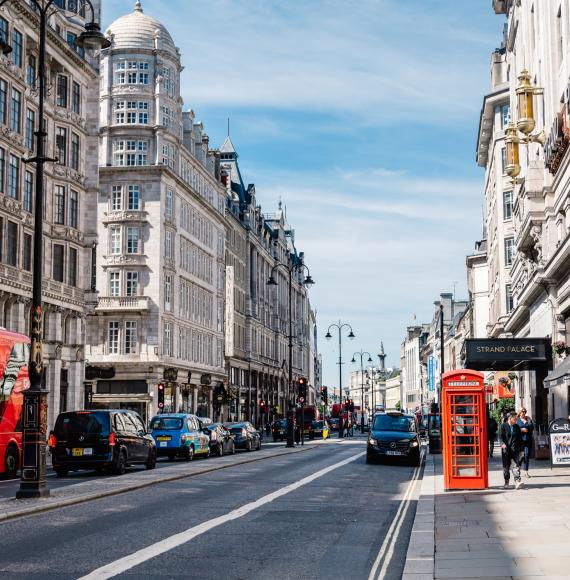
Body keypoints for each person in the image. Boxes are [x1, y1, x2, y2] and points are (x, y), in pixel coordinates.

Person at [499, 411, 524, 489]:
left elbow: (520, 438)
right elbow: (500, 437)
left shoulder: (516, 427)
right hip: (506, 450)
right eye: (515, 418)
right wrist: (502, 444)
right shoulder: (503, 426)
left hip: (515, 450)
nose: (516, 419)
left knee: (516, 466)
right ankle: (506, 482)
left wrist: (521, 450)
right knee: (506, 467)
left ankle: (517, 481)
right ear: (510, 418)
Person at [517, 408, 534, 477]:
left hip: (528, 440)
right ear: (519, 412)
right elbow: (513, 429)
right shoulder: (517, 420)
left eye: (524, 411)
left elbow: (532, 427)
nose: (523, 413)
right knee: (521, 456)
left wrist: (529, 428)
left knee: (526, 455)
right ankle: (518, 469)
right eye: (522, 411)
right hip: (520, 441)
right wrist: (521, 429)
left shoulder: (528, 419)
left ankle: (526, 471)